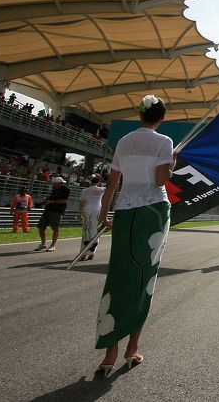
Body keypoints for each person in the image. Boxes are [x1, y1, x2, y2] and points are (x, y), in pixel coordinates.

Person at [94, 95, 175, 374]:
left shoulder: (124, 142)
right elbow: (161, 180)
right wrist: (171, 163)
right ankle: (132, 348)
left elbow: (112, 184)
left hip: (125, 211)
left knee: (118, 275)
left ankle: (109, 352)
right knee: (144, 279)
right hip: (153, 211)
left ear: (140, 115)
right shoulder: (164, 143)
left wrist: (104, 215)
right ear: (161, 118)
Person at [33, 177, 70, 252]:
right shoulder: (54, 189)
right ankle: (43, 243)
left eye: (54, 184)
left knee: (55, 228)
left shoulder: (66, 190)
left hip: (57, 211)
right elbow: (52, 198)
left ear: (59, 183)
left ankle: (53, 245)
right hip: (48, 210)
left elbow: (64, 201)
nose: (53, 185)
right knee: (41, 227)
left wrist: (52, 202)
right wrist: (46, 200)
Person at [79, 174, 105, 261]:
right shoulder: (101, 190)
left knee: (86, 232)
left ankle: (83, 253)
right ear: (99, 181)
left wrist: (80, 214)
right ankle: (91, 253)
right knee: (94, 232)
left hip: (87, 212)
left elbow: (82, 203)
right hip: (97, 212)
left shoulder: (85, 191)